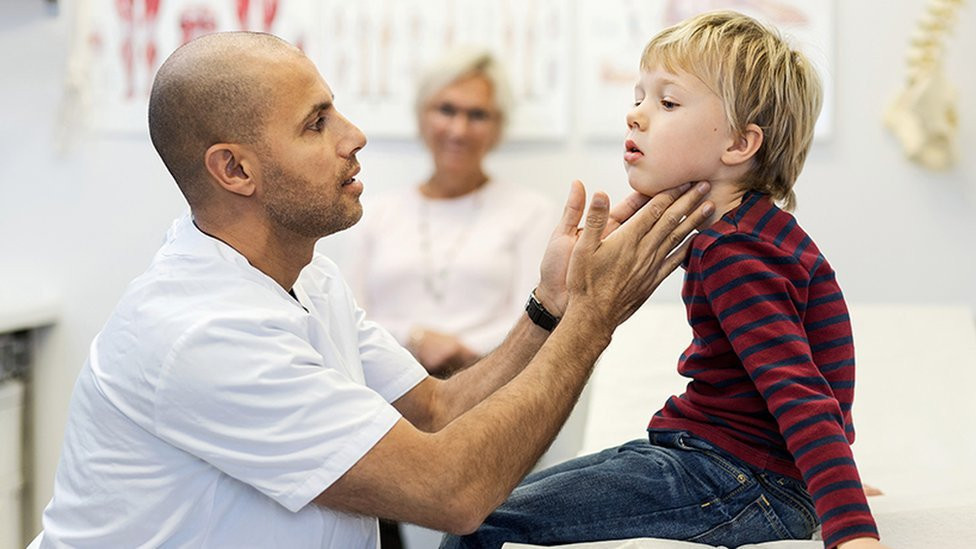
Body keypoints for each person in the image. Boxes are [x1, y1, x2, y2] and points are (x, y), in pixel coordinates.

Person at [37, 31, 714, 548]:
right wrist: (592, 320)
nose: (355, 136)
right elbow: (450, 490)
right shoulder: (202, 330)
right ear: (235, 169)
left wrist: (552, 307)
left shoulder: (307, 277)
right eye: (316, 123)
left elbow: (436, 410)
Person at [443, 11, 889, 549]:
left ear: (739, 144)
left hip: (735, 477)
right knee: (486, 501)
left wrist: (846, 519)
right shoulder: (755, 231)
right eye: (639, 97)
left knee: (479, 525)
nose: (635, 115)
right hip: (725, 461)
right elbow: (816, 364)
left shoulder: (734, 253)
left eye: (668, 102)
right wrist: (816, 477)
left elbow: (798, 388)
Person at [344, 48, 555, 378]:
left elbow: (534, 320)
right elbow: (348, 319)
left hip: (489, 385)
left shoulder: (531, 212)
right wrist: (415, 339)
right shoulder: (374, 213)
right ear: (421, 116)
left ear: (498, 126)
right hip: (384, 390)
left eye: (477, 115)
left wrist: (460, 351)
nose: (459, 130)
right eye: (446, 110)